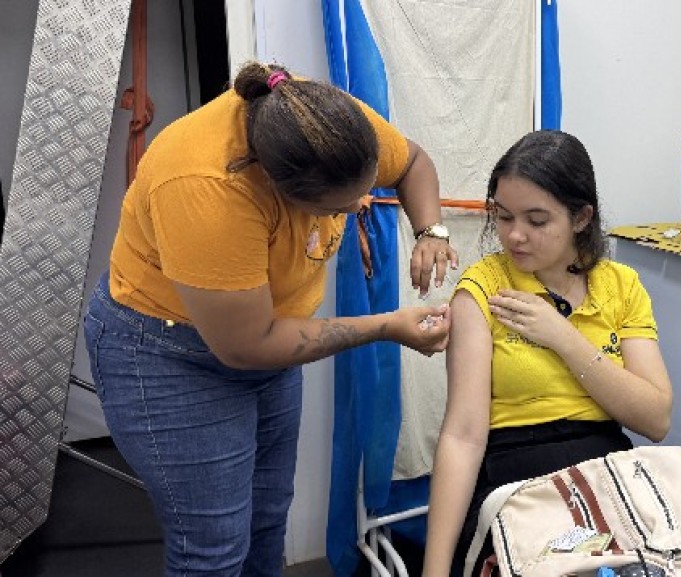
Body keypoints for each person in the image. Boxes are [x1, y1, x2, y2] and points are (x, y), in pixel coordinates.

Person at [82, 62, 456, 577]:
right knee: (212, 552)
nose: (357, 208)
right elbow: (248, 345)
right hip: (168, 355)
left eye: (363, 190)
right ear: (277, 187)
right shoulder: (208, 186)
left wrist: (431, 230)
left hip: (266, 341)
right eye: (338, 206)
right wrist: (387, 326)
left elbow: (412, 161)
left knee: (266, 521)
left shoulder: (328, 126)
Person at [422, 130, 673, 577]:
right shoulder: (484, 289)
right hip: (517, 476)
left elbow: (655, 419)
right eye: (503, 216)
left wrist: (563, 336)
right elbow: (463, 436)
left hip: (605, 471)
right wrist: (435, 571)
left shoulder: (621, 286)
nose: (514, 236)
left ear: (581, 218)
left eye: (536, 221)